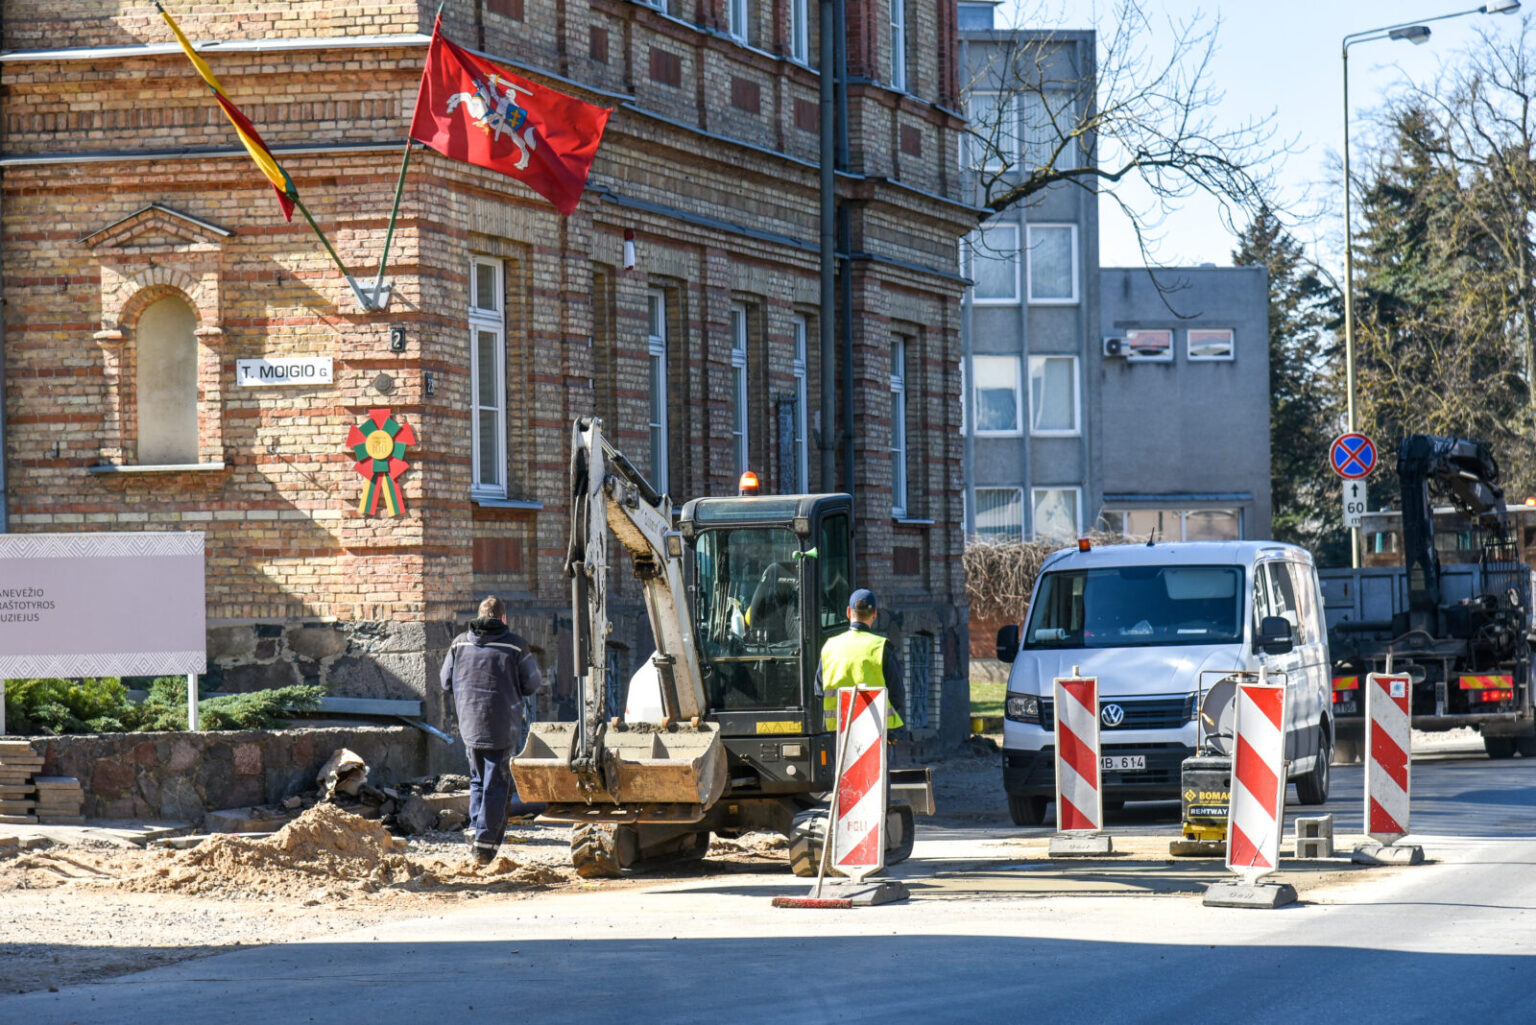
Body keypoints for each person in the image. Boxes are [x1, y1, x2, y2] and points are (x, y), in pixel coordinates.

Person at [440, 595, 543, 865]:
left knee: (477, 779)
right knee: (496, 784)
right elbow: (532, 684)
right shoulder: (517, 646)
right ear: (503, 619)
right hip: (502, 725)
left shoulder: (459, 643)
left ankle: (475, 829)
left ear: (478, 616)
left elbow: (445, 681)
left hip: (470, 724)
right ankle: (484, 848)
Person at [817, 588, 904, 735]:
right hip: (875, 733)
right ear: (875, 614)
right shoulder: (881, 648)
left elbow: (819, 692)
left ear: (848, 612)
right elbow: (897, 696)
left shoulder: (829, 647)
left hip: (838, 734)